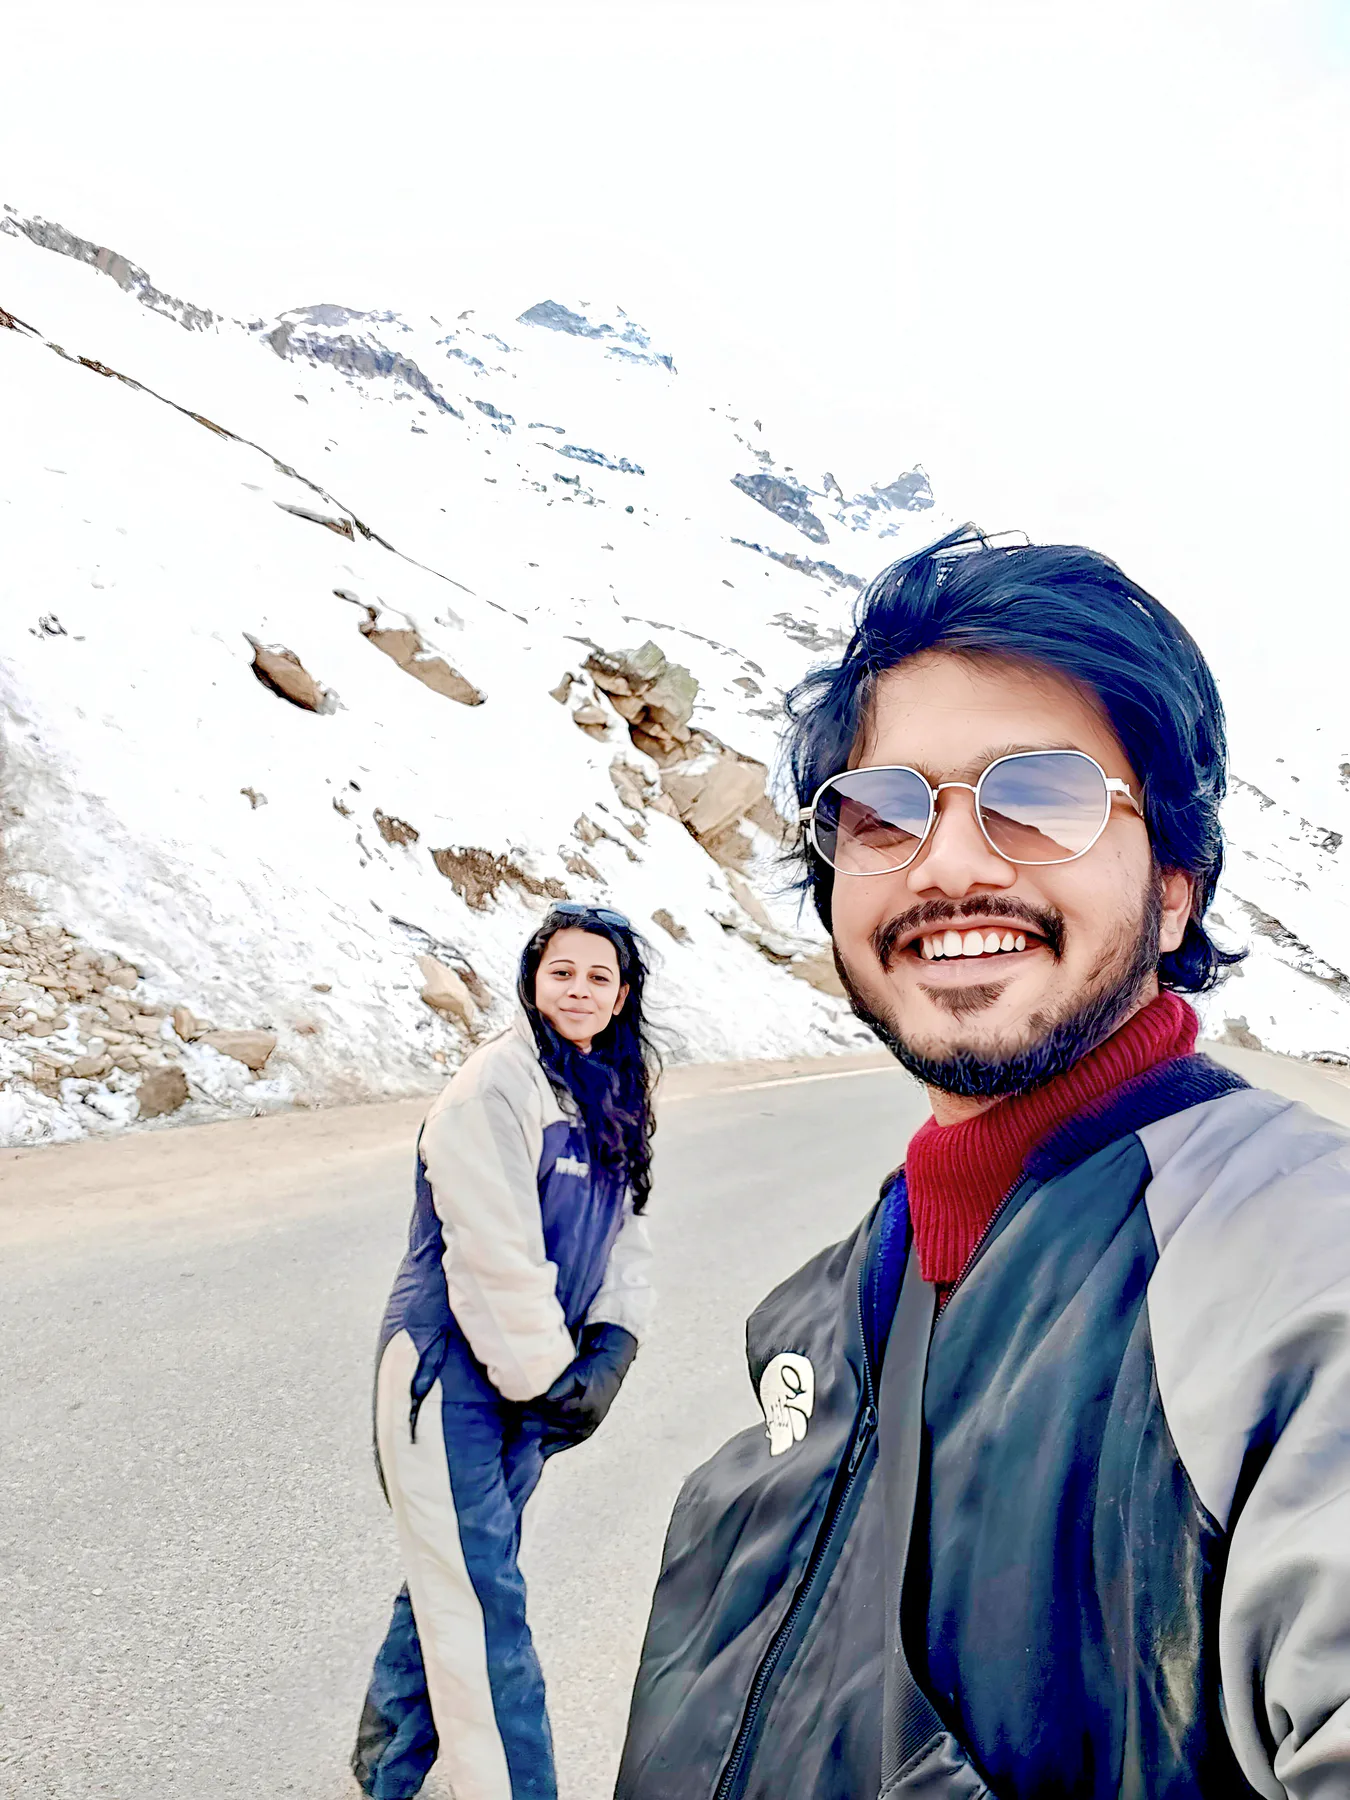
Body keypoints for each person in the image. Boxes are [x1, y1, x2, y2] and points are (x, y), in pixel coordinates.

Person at [616, 528, 1350, 1799]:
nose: (949, 863)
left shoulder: (1300, 1270)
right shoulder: (843, 1294)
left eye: (1044, 796)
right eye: (885, 812)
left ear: (1175, 887)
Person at [353, 903, 659, 1800]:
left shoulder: (613, 1087)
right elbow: (489, 1245)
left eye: (598, 976)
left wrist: (615, 1342)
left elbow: (628, 1230)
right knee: (482, 1604)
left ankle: (384, 1772)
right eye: (562, 971)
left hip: (538, 1377)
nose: (579, 988)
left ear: (622, 995)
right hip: (447, 1378)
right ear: (534, 980)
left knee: (452, 1575)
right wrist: (550, 1378)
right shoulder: (496, 1084)